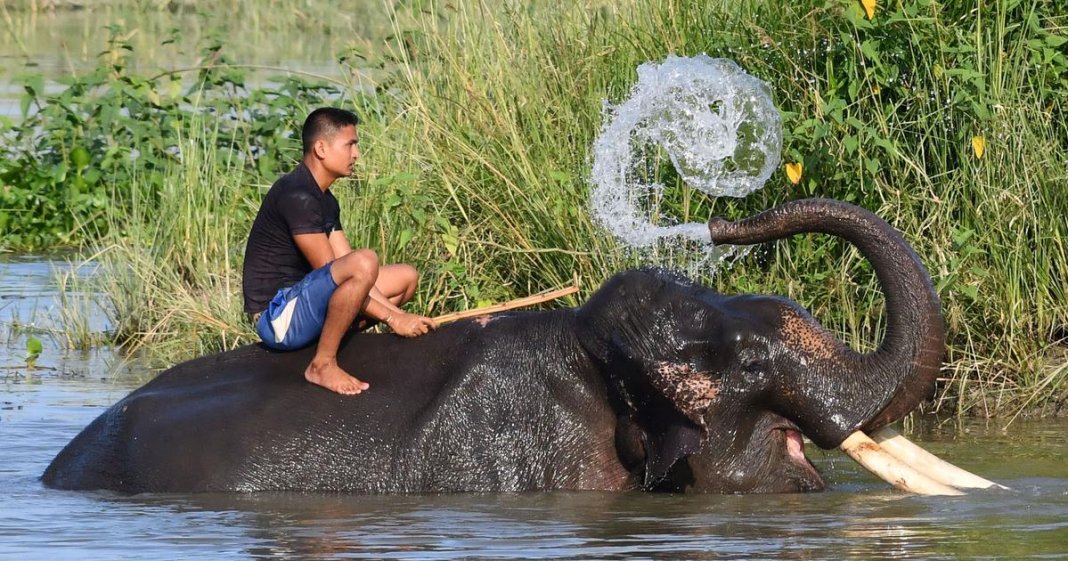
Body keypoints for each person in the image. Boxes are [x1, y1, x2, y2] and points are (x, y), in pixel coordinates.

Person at [242, 107, 434, 395]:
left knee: (405, 277)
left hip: (306, 300)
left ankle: (333, 336)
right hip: (277, 317)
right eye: (350, 145)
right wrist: (395, 318)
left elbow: (351, 268)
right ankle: (321, 364)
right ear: (321, 148)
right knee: (364, 261)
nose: (356, 154)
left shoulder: (326, 201)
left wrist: (402, 316)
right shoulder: (297, 196)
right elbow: (336, 269)